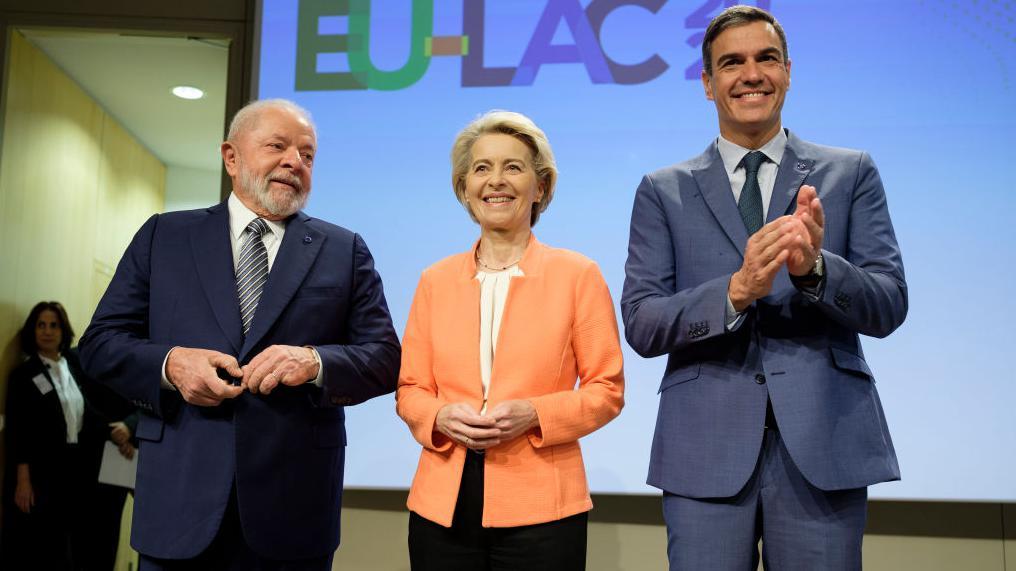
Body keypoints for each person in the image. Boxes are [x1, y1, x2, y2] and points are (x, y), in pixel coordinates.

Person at [621, 6, 907, 570]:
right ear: (708, 83)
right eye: (732, 62)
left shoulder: (849, 173)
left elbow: (889, 302)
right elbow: (642, 321)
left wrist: (815, 271)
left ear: (788, 71)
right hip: (704, 449)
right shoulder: (662, 190)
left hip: (823, 445)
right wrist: (736, 290)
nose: (750, 74)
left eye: (765, 58)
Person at [78, 98, 401, 570]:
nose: (295, 162)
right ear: (231, 157)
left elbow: (383, 357)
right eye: (278, 146)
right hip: (178, 506)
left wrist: (315, 362)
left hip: (293, 510)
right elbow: (100, 344)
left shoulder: (343, 249)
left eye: (307, 155)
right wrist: (171, 365)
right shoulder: (164, 236)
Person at [397, 110, 625, 570]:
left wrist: (535, 414)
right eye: (481, 168)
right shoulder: (434, 280)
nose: (495, 181)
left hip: (544, 509)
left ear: (540, 187)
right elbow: (410, 391)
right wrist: (440, 415)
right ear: (464, 188)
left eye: (513, 167)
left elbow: (607, 390)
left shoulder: (577, 275)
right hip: (442, 507)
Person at [1, 301, 134, 570]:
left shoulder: (71, 367)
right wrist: (23, 479)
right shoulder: (24, 374)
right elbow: (18, 430)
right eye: (41, 325)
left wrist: (122, 434)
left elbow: (87, 416)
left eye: (54, 325)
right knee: (35, 547)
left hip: (70, 472)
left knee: (64, 549)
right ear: (32, 330)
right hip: (38, 473)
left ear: (63, 331)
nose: (47, 331)